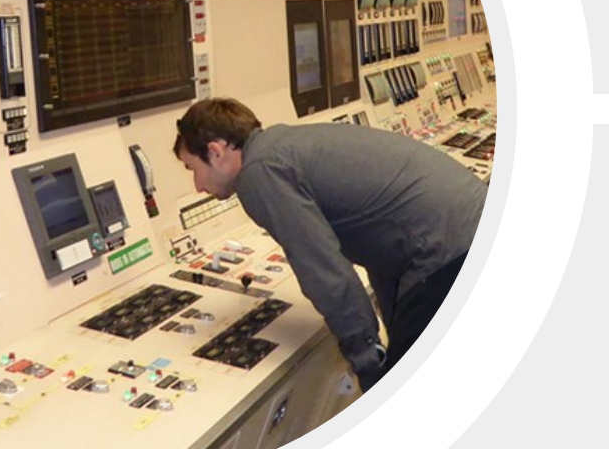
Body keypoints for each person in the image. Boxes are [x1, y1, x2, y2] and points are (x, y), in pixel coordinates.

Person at [173, 98, 487, 391]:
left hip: (445, 249)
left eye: (193, 169)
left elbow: (321, 267)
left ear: (216, 151)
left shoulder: (258, 173)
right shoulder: (283, 145)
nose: (198, 186)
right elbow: (378, 241)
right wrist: (387, 339)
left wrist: (365, 356)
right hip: (466, 227)